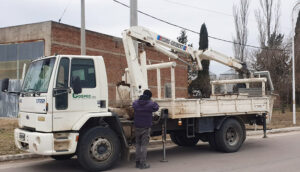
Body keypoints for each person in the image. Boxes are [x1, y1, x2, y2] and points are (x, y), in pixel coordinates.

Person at [132, 89, 159, 169]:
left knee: (137, 145)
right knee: (144, 146)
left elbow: (133, 105)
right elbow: (156, 107)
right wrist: (152, 101)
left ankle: (137, 163)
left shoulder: (136, 103)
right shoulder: (150, 104)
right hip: (146, 127)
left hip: (137, 127)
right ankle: (143, 164)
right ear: (149, 97)